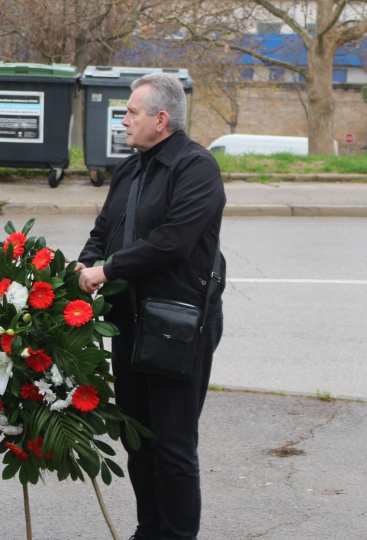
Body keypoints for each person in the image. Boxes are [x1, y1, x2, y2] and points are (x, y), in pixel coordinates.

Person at [76, 72, 226, 540]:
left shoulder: (196, 168)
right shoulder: (132, 167)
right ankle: (149, 531)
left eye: (131, 113)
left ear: (161, 119)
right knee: (138, 441)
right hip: (129, 322)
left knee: (174, 447)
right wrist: (84, 264)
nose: (124, 121)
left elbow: (172, 242)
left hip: (175, 327)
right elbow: (104, 229)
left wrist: (107, 270)